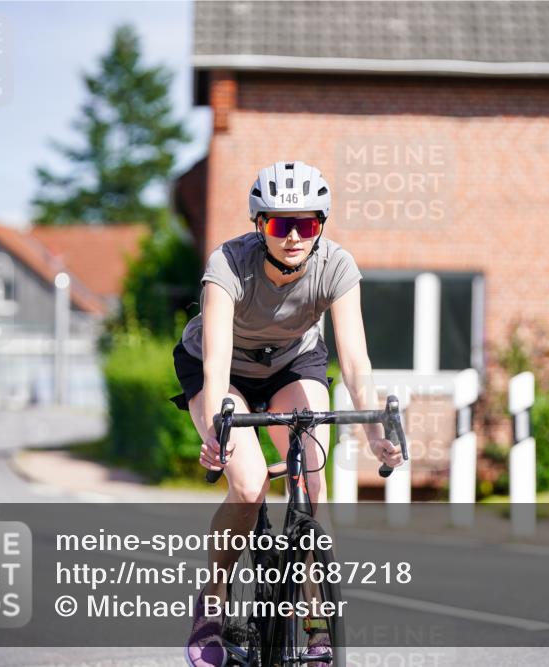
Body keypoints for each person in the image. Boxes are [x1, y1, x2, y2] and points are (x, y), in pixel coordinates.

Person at [172, 160, 403, 666]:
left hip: (293, 364)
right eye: (281, 224)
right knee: (249, 483)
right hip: (225, 370)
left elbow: (355, 362)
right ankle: (212, 604)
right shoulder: (229, 264)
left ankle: (317, 624)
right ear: (260, 224)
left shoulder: (337, 266)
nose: (294, 236)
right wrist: (216, 432)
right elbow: (215, 363)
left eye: (307, 224)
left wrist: (373, 433)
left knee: (313, 481)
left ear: (321, 224)